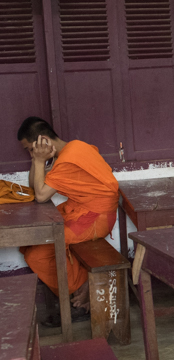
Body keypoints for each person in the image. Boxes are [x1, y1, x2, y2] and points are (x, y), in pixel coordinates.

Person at [16, 117, 119, 327]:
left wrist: (37, 161)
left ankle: (81, 299)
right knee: (31, 244)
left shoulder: (69, 159)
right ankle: (84, 289)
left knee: (39, 252)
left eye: (30, 149)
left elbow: (41, 196)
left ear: (42, 141)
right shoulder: (72, 148)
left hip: (95, 217)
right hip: (82, 210)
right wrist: (38, 161)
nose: (30, 154)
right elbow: (36, 187)